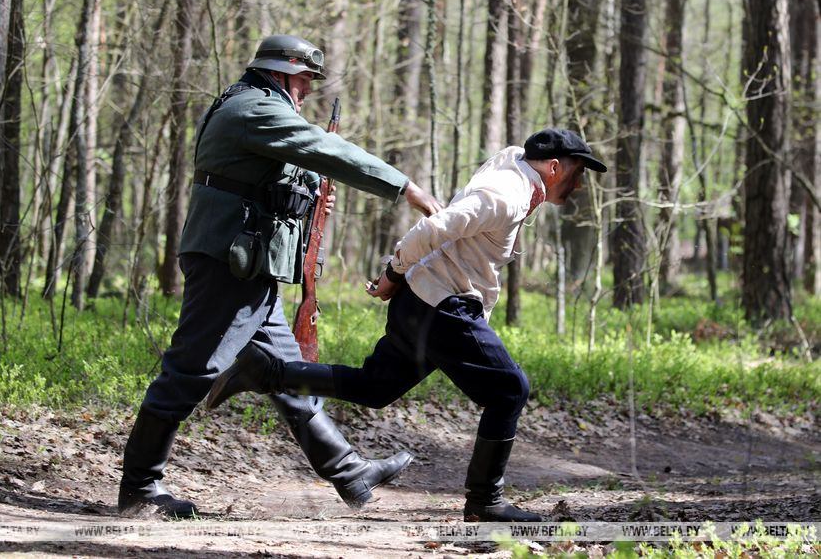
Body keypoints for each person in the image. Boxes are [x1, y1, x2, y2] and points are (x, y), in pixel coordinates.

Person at [205, 128, 607, 522]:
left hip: (421, 302)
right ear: (553, 168)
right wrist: (391, 276)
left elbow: (511, 157)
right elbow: (434, 228)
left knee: (375, 387)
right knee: (509, 389)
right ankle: (486, 501)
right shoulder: (507, 194)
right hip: (442, 306)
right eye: (578, 173)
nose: (581, 183)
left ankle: (266, 371)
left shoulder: (516, 171)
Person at [118, 34, 442, 518]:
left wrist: (311, 193)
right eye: (305, 79)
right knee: (191, 369)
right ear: (281, 71)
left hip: (247, 264)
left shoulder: (254, 105)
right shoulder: (255, 108)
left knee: (287, 375)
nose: (308, 90)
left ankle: (348, 470)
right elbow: (320, 147)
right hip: (230, 265)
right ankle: (141, 488)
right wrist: (406, 187)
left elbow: (274, 175)